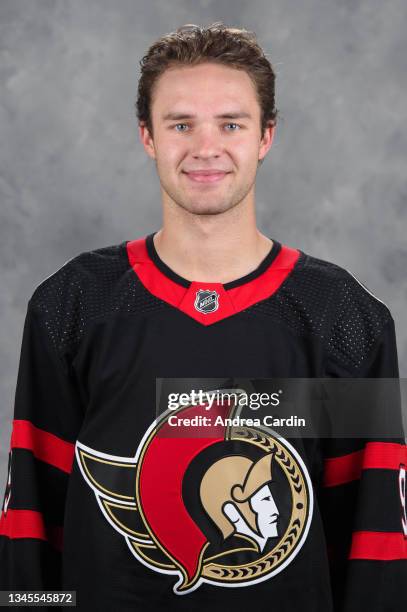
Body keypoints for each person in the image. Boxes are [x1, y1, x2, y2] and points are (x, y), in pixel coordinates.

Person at [0, 22, 406, 611]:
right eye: (181, 124)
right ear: (147, 136)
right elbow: (31, 526)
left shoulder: (345, 317)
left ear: (267, 135)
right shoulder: (73, 304)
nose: (205, 147)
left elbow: (374, 545)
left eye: (232, 124)